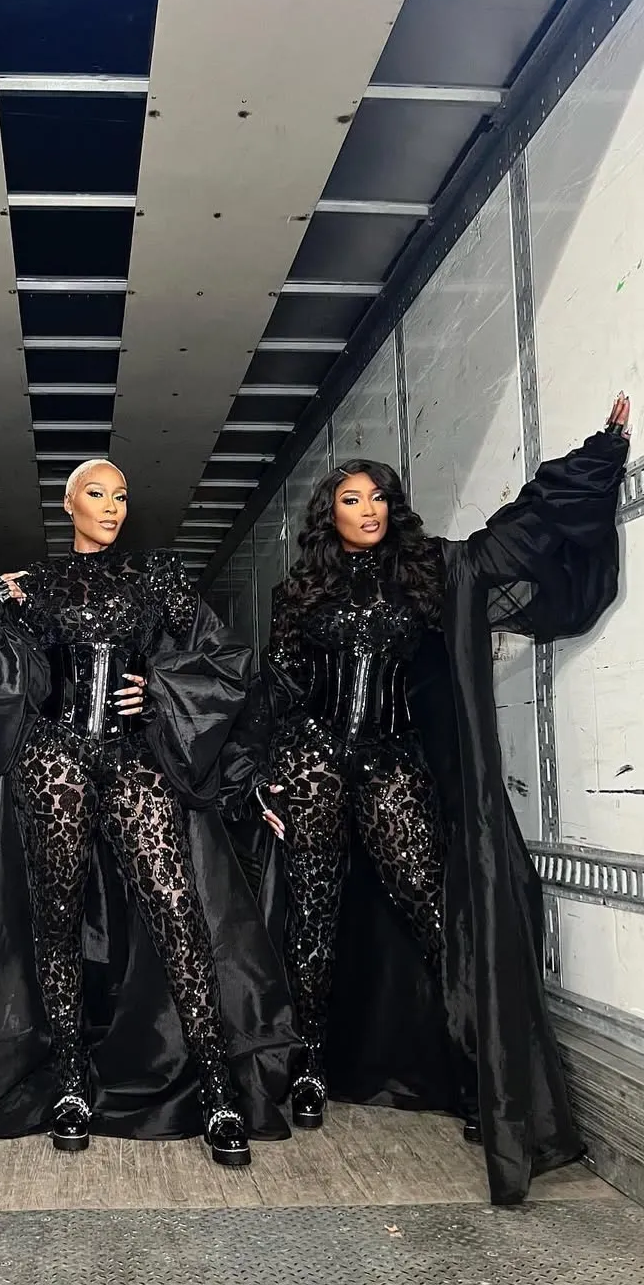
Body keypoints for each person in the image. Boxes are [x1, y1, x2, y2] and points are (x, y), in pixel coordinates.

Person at [222, 396, 630, 1205]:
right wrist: (257, 772)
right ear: (330, 515)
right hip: (313, 762)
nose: (369, 510)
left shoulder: (430, 571)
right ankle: (308, 1066)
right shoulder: (302, 592)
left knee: (438, 920)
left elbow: (516, 536)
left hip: (390, 761)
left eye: (378, 496)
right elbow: (279, 687)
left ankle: (480, 1078)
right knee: (312, 917)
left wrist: (600, 453)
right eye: (352, 499)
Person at [0, 459, 303, 1165]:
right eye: (96, 493)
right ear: (68, 503)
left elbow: (226, 659)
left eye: (122, 495)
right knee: (55, 916)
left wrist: (159, 688)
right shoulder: (37, 584)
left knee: (177, 906)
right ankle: (70, 1080)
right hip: (55, 759)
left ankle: (218, 1090)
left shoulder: (157, 575)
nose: (112, 506)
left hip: (131, 754)